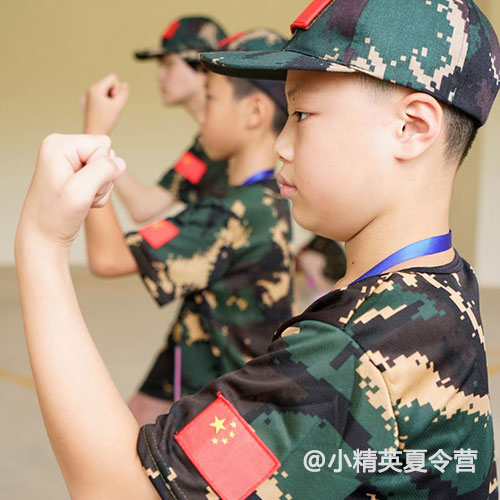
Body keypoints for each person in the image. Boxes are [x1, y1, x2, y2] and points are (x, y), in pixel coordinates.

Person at [15, 0, 499, 498]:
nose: (280, 146)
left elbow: (117, 490)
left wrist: (41, 243)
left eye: (302, 114)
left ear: (412, 128)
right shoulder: (445, 283)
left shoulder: (351, 352)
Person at [83, 29, 293, 426]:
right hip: (201, 340)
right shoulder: (258, 197)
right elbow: (147, 206)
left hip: (224, 396)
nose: (203, 114)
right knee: (137, 419)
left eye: (210, 98)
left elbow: (108, 258)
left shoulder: (237, 211)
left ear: (254, 113)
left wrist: (94, 138)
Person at [83, 16, 229, 224]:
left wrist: (96, 134)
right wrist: (99, 135)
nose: (160, 75)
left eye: (169, 63)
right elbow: (144, 206)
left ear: (202, 65)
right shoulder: (204, 147)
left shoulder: (232, 135)